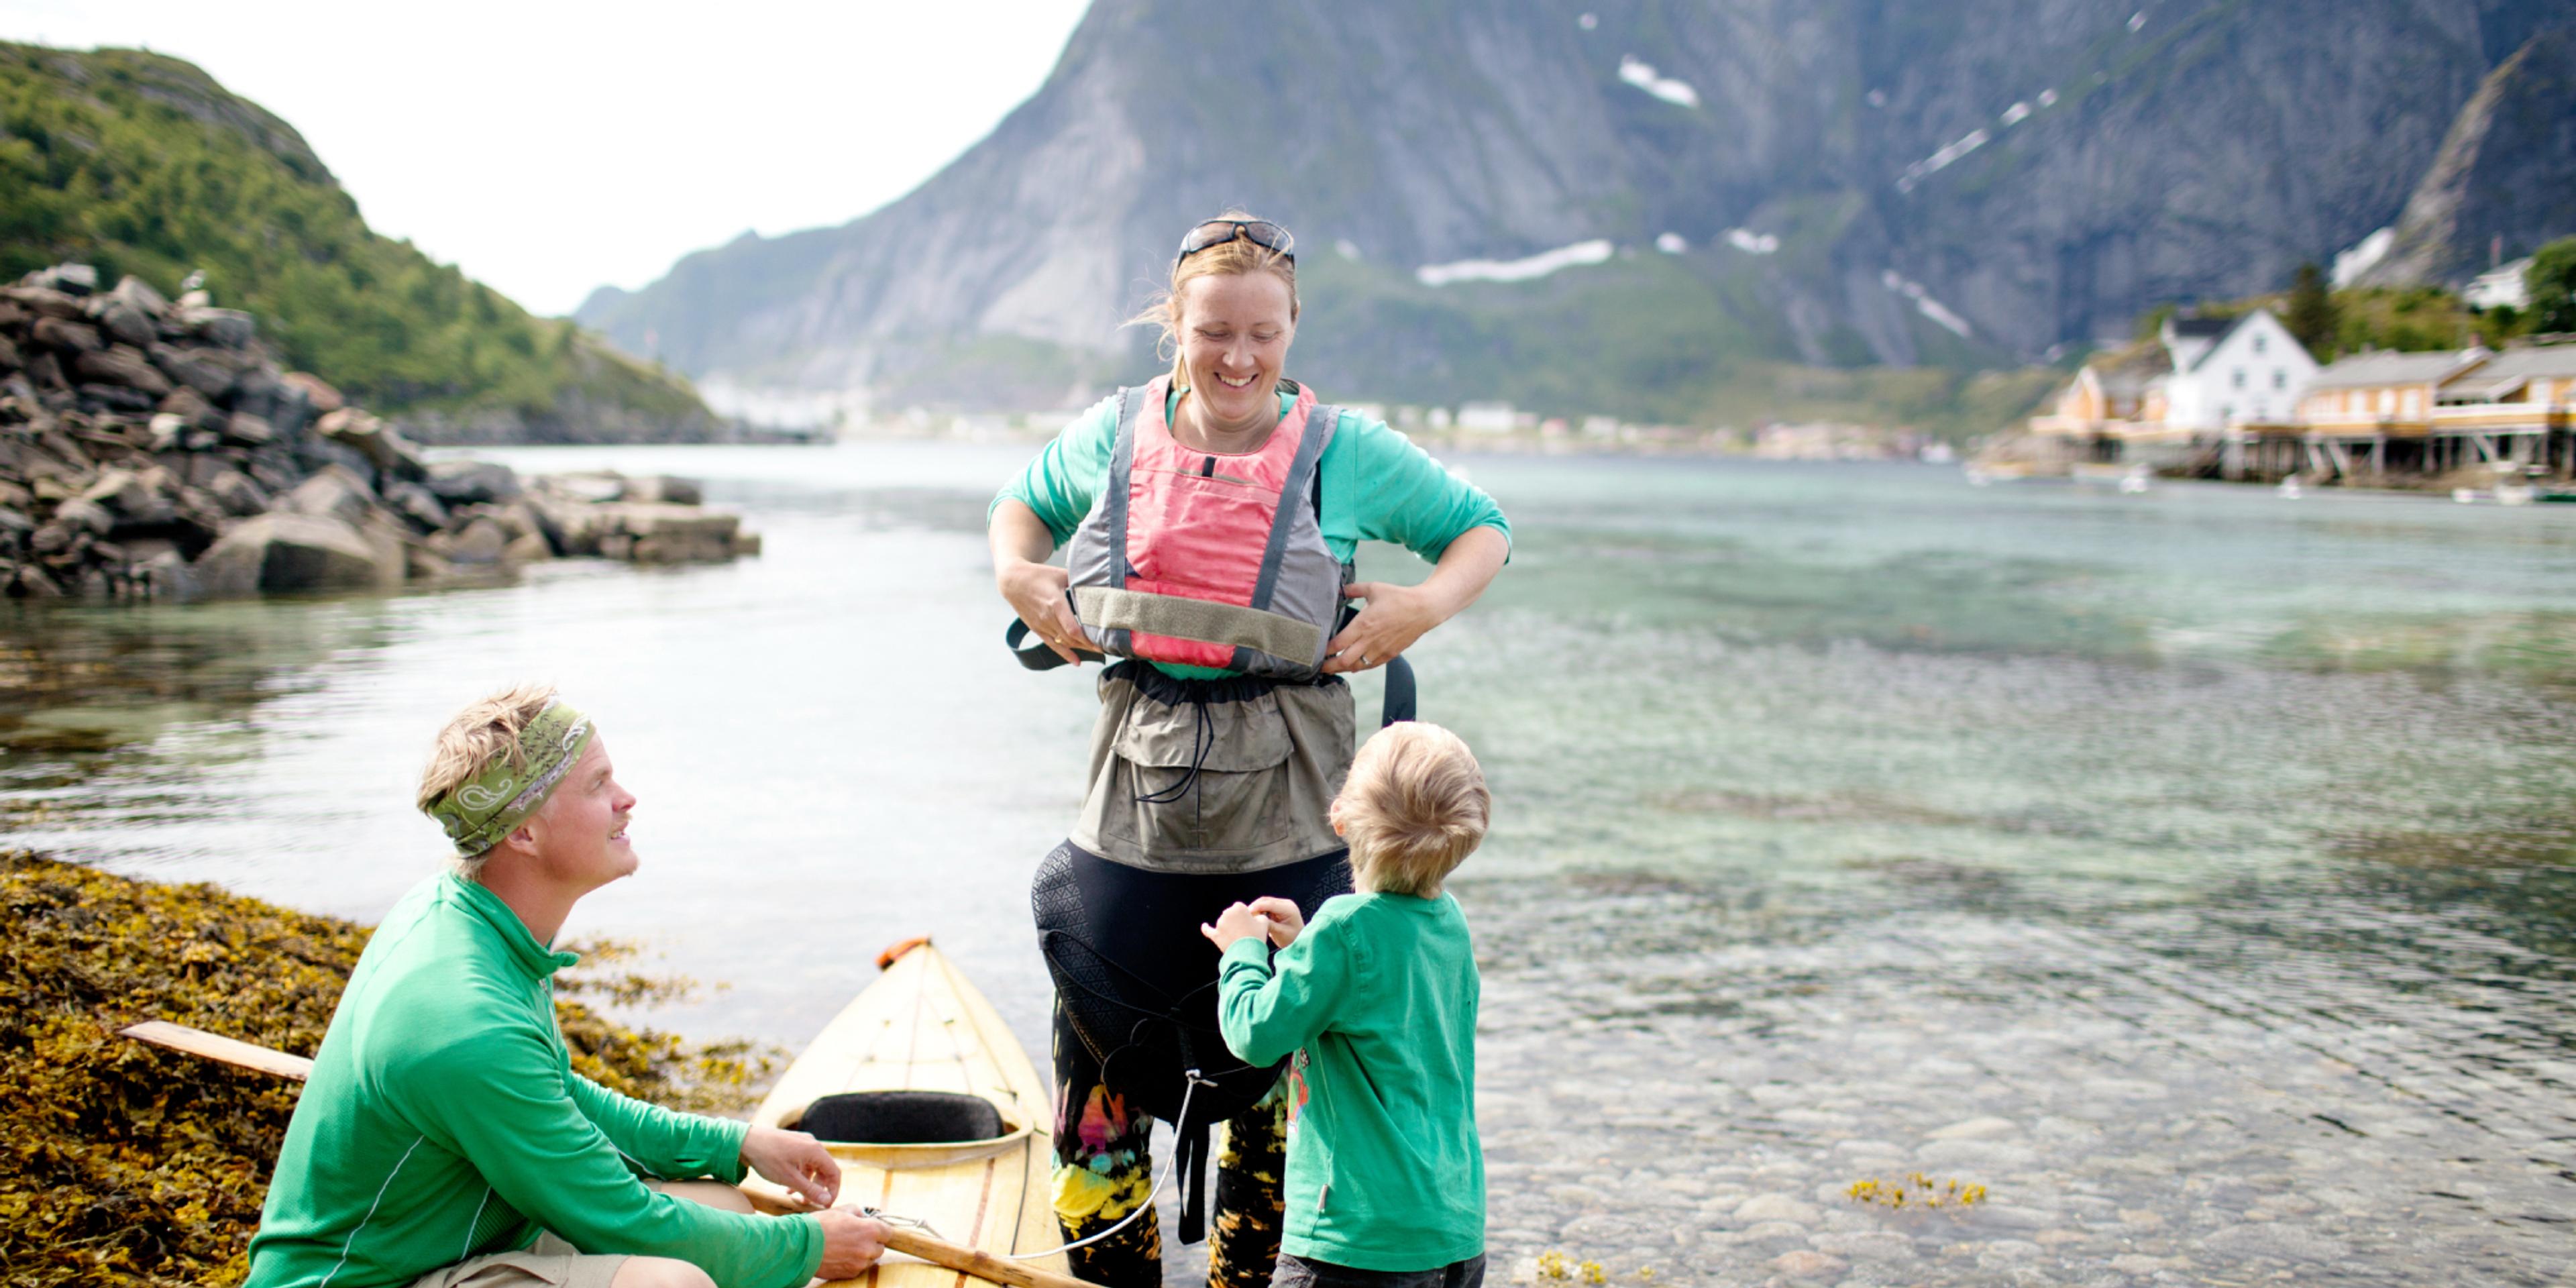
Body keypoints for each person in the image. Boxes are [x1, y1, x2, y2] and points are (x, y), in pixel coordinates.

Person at [990, 212, 1510, 1288]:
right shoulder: (1111, 434)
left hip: (1292, 813)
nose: (1238, 357)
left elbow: (1482, 528)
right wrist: (1019, 576)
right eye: (1213, 331)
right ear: (1172, 324)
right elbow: (1019, 510)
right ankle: (1108, 1270)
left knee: (1282, 1090)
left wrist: (1420, 608)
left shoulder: (1347, 452)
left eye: (1263, 334)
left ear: (1293, 328)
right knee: (1100, 1050)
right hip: (1128, 807)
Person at [246, 685, 891, 1288]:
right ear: (523, 832)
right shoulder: (462, 1020)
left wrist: (735, 1142)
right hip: (370, 1279)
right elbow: (619, 1218)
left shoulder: (468, 914)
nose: (626, 799)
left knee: (722, 1199)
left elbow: (555, 1098)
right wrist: (809, 1246)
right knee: (676, 1282)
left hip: (454, 1244)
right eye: (598, 784)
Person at [1203, 722, 1490, 1288]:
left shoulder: (1343, 928)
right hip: (1452, 1229)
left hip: (1355, 1244)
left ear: (1339, 820)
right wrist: (1302, 945)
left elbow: (1255, 1034)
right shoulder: (1449, 923)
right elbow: (1381, 1002)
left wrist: (1241, 952)